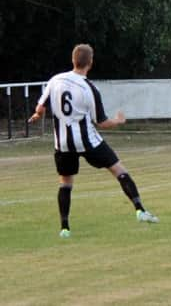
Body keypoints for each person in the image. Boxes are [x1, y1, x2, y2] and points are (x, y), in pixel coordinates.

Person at [28, 44, 158, 238]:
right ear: (90, 63)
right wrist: (119, 121)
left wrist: (37, 116)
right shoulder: (89, 89)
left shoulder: (55, 80)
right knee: (119, 170)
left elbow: (40, 107)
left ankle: (65, 228)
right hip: (88, 141)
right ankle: (140, 210)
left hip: (62, 143)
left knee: (65, 183)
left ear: (73, 60)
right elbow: (102, 122)